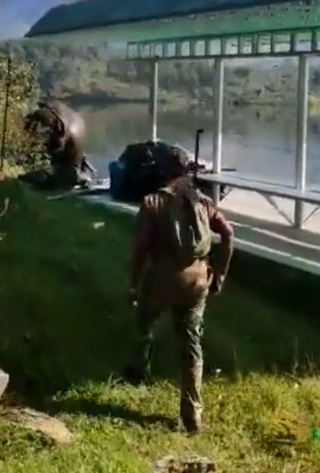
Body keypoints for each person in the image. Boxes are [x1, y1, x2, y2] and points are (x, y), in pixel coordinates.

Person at [122, 146, 234, 434]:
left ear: (163, 171)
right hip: (197, 282)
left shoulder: (152, 203)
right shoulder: (204, 201)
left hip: (161, 279)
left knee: (143, 323)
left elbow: (140, 250)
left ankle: (138, 373)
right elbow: (228, 234)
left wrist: (133, 285)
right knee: (191, 345)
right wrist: (219, 273)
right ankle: (192, 414)